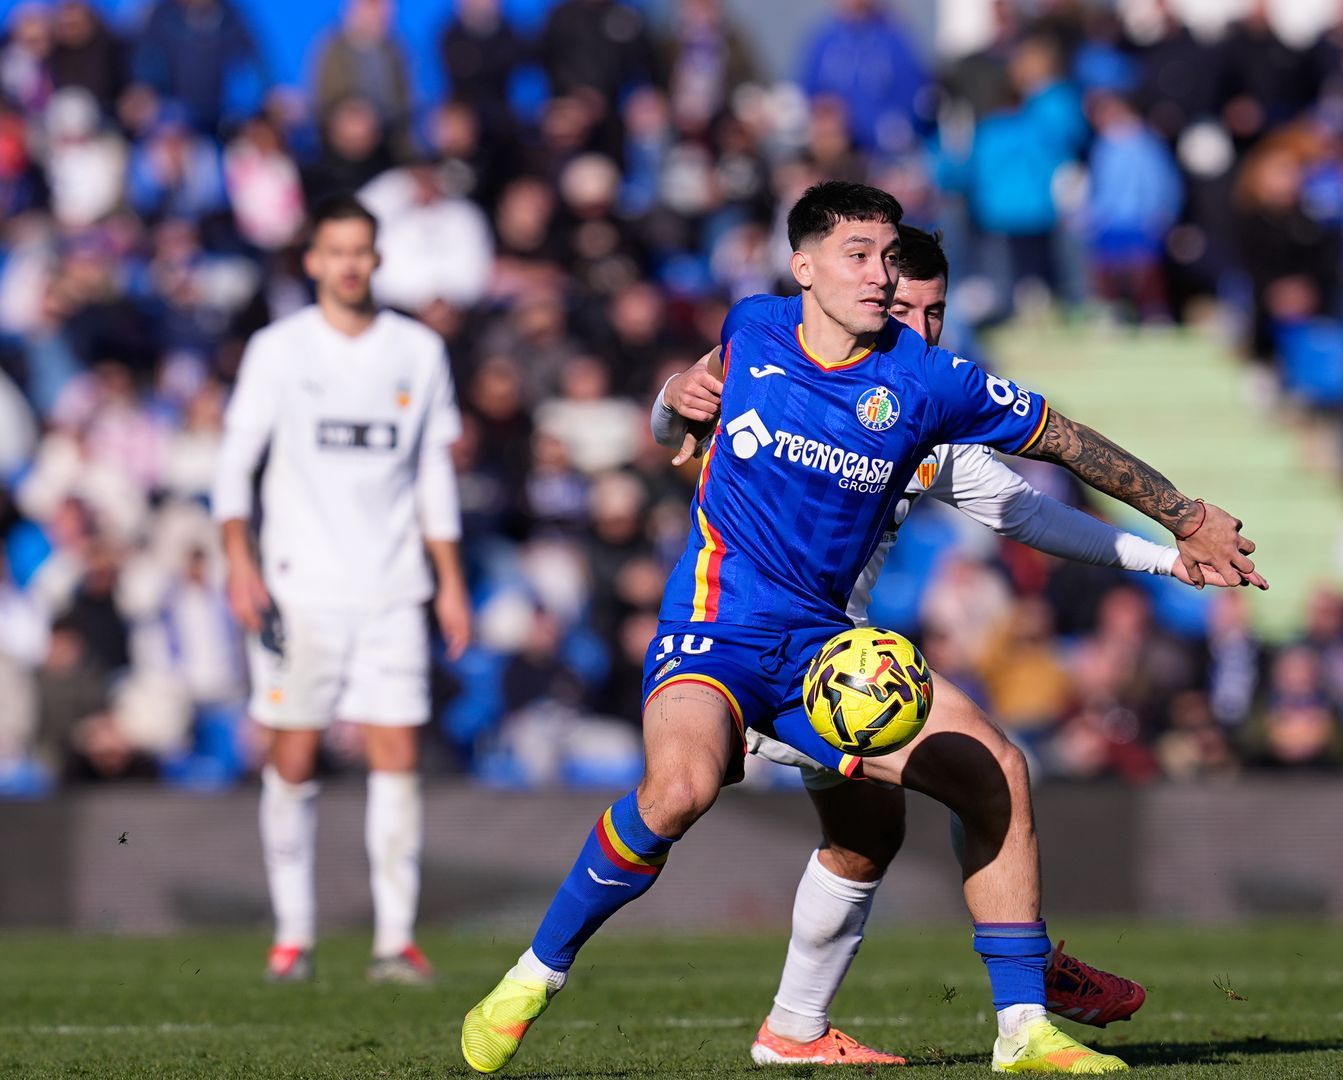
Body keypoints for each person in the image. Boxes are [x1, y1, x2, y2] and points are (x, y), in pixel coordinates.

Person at [460, 182, 1262, 1075]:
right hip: (715, 628)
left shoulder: (927, 388)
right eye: (863, 257)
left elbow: (1056, 455)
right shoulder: (755, 327)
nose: (884, 278)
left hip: (832, 656)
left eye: (894, 261)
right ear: (803, 268)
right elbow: (686, 407)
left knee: (987, 773)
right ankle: (535, 975)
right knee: (680, 789)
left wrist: (1182, 522)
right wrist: (669, 399)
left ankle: (1020, 1026)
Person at [653, 225, 1189, 1064]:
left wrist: (1168, 559)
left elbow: (1027, 514)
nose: (921, 327)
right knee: (986, 774)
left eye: (935, 312)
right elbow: (677, 422)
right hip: (765, 649)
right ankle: (1027, 984)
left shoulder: (922, 419)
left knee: (870, 834)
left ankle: (795, 1030)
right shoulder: (789, 364)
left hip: (845, 662)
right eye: (905, 306)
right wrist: (671, 392)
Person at [213, 196, 472, 985]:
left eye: (362, 250)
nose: (350, 264)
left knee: (396, 754)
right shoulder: (278, 350)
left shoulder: (418, 351)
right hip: (301, 589)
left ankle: (396, 941)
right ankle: (293, 935)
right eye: (336, 251)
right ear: (314, 261)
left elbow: (432, 471)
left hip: (394, 586)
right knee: (294, 756)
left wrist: (450, 581)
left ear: (378, 259)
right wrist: (239, 560)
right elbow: (234, 466)